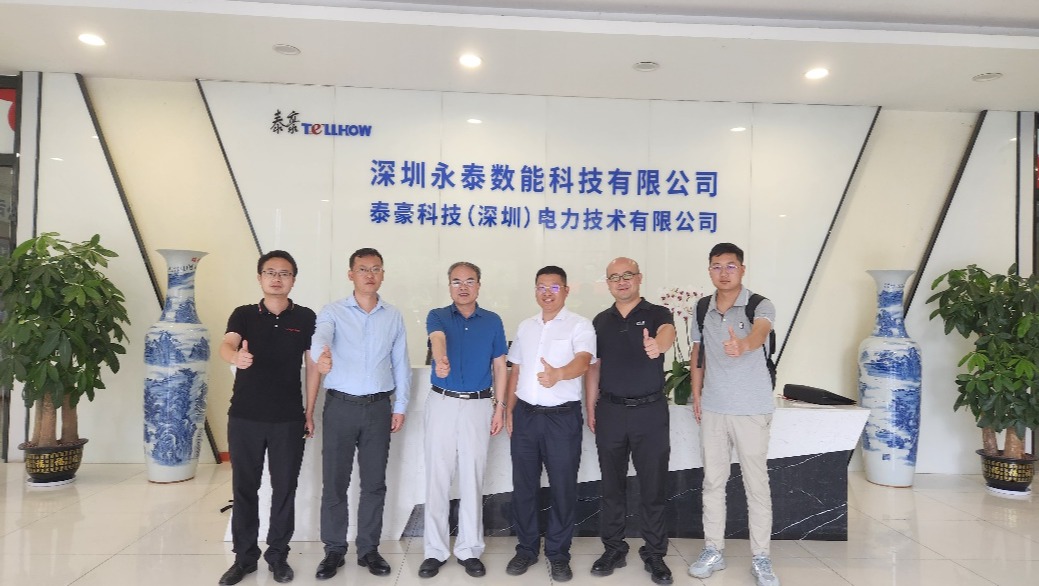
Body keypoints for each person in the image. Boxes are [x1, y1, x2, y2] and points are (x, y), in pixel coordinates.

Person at [309, 247, 411, 581]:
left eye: (376, 268)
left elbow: (401, 363)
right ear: (350, 274)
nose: (370, 274)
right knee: (335, 483)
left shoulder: (393, 315)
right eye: (363, 268)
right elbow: (321, 336)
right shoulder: (333, 311)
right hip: (340, 406)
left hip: (378, 408)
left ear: (383, 274)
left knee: (374, 483)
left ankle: (369, 549)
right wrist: (321, 356)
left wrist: (400, 405)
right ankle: (334, 550)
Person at [218, 250, 318, 585]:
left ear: (293, 279)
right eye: (270, 272)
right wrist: (236, 357)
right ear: (260, 277)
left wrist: (309, 412)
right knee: (244, 488)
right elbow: (226, 344)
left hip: (288, 418)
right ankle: (244, 558)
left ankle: (277, 556)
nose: (277, 278)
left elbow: (313, 367)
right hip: (244, 417)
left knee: (284, 489)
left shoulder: (305, 317)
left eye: (284, 273)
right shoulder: (244, 314)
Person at [686, 243, 780, 586]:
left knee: (756, 485)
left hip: (751, 409)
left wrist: (743, 344)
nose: (723, 272)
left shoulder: (760, 304)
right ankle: (713, 550)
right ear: (709, 270)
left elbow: (760, 332)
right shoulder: (701, 308)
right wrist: (697, 394)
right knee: (713, 483)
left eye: (730, 266)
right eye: (716, 266)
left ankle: (761, 557)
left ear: (742, 269)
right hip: (713, 408)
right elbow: (698, 354)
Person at [585, 257, 676, 585]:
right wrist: (590, 406)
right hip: (610, 411)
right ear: (608, 283)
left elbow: (668, 333)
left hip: (650, 412)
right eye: (614, 277)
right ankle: (614, 548)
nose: (621, 281)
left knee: (653, 486)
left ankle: (654, 553)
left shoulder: (656, 313)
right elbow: (594, 366)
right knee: (612, 486)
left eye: (627, 275)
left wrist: (657, 346)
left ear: (639, 278)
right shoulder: (600, 320)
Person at [504, 265, 595, 583]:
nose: (547, 292)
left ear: (566, 291)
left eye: (554, 287)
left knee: (563, 488)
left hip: (561, 418)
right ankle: (526, 549)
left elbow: (584, 361)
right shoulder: (525, 326)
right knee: (524, 486)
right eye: (541, 287)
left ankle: (558, 554)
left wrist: (558, 374)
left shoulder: (580, 325)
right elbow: (516, 370)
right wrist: (508, 410)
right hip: (526, 416)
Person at [417, 261, 509, 579]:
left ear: (479, 285)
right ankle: (435, 551)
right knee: (438, 477)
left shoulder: (493, 321)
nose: (463, 287)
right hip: (442, 402)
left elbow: (500, 365)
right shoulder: (438, 315)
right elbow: (437, 338)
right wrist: (440, 358)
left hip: (479, 406)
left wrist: (500, 407)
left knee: (472, 478)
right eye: (456, 281)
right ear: (449, 286)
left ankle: (470, 550)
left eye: (469, 281)